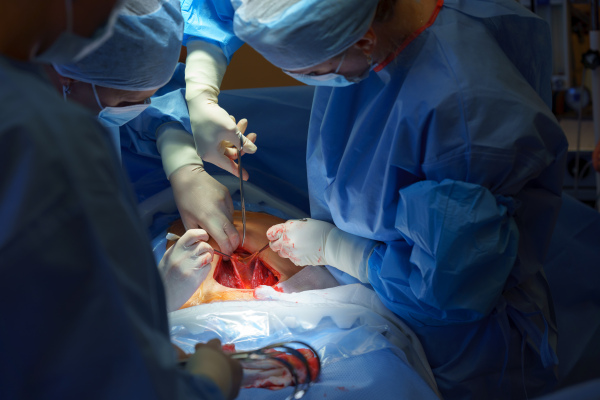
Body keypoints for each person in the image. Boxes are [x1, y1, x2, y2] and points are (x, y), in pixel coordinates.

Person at [172, 0, 569, 399]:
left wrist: (341, 249)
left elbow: (447, 288)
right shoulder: (343, 20)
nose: (307, 80)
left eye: (311, 72)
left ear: (364, 41)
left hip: (453, 341)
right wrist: (201, 94)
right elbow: (223, 7)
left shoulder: (463, 121)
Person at [0, 0, 241, 398]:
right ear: (64, 75)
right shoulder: (48, 148)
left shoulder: (40, 94)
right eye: (124, 103)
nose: (137, 109)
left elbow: (149, 96)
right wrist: (207, 383)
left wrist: (182, 157)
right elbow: (97, 373)